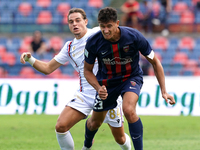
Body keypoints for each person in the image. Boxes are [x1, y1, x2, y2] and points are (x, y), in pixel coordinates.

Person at [20, 8, 131, 150]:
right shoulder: (69, 47)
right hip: (85, 95)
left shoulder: (99, 32)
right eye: (71, 22)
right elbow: (48, 68)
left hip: (109, 93)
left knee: (120, 138)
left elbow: (121, 35)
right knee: (61, 126)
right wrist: (30, 59)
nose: (75, 24)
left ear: (85, 21)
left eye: (78, 20)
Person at [83, 7, 176, 150]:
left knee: (129, 110)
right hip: (106, 84)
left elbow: (155, 62)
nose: (106, 30)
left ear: (117, 23)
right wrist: (98, 88)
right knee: (94, 123)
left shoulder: (134, 37)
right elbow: (87, 71)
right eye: (102, 26)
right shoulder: (93, 42)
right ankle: (87, 145)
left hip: (130, 78)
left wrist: (164, 91)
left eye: (109, 26)